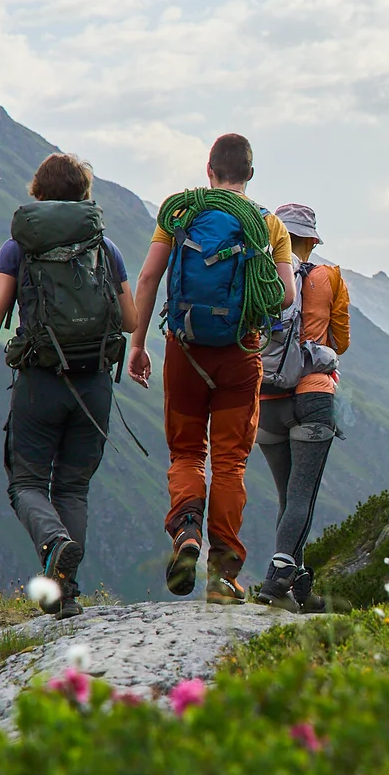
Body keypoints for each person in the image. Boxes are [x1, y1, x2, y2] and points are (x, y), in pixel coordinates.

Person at [0, 152, 137, 619]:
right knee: (72, 489)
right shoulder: (104, 248)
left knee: (27, 482)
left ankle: (53, 544)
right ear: (84, 195)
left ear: (38, 193)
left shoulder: (19, 248)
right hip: (93, 384)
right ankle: (65, 594)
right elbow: (130, 320)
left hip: (40, 381)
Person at [127, 134, 294, 602]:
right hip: (242, 354)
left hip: (185, 350)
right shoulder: (268, 224)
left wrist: (137, 345)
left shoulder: (181, 214)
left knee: (185, 453)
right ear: (251, 174)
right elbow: (285, 296)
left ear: (209, 169)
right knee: (229, 461)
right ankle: (222, 578)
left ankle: (185, 533)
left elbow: (147, 277)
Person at [250, 203, 350, 612]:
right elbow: (340, 342)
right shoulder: (329, 279)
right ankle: (279, 574)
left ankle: (299, 588)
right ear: (311, 241)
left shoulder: (259, 271)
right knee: (302, 496)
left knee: (287, 496)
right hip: (312, 395)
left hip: (266, 399)